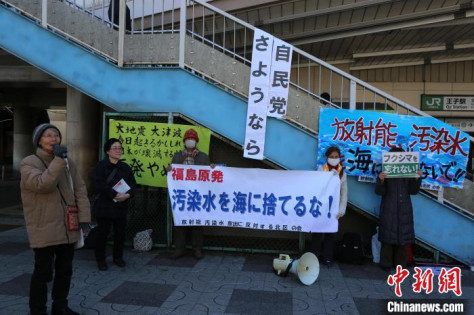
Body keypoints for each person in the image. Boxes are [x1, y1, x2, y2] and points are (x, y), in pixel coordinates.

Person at [20, 123, 90, 315]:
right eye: (48, 135)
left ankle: (60, 306)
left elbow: (80, 190)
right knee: (42, 272)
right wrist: (59, 160)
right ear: (38, 140)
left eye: (56, 135)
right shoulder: (29, 162)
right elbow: (42, 185)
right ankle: (37, 310)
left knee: (65, 270)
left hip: (69, 226)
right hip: (44, 226)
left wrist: (84, 218)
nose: (54, 139)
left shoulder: (68, 162)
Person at [375, 147, 422, 272]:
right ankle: (385, 264)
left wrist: (417, 179)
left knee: (403, 238)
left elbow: (413, 191)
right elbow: (379, 192)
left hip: (404, 208)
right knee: (387, 237)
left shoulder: (408, 172)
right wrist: (380, 180)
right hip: (388, 208)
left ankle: (401, 264)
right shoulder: (386, 172)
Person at [168, 128, 212, 260]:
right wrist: (169, 170)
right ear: (184, 141)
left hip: (198, 194)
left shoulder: (203, 157)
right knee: (180, 221)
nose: (190, 141)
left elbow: (209, 173)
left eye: (192, 139)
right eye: (188, 139)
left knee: (197, 222)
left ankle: (197, 249)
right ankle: (179, 249)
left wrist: (213, 168)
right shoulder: (177, 156)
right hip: (181, 194)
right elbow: (172, 174)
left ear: (196, 141)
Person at [92, 138, 136, 271]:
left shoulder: (125, 167)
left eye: (120, 148)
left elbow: (133, 185)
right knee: (102, 234)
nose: (118, 150)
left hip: (120, 206)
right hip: (104, 206)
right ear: (107, 151)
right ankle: (101, 260)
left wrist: (127, 195)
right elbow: (99, 184)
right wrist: (114, 194)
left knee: (120, 234)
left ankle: (118, 257)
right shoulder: (101, 166)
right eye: (115, 148)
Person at [311, 145, 347, 267]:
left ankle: (327, 258)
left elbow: (344, 193)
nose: (334, 158)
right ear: (327, 157)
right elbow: (316, 188)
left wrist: (342, 209)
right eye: (331, 157)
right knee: (316, 233)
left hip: (333, 209)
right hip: (320, 207)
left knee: (330, 234)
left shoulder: (342, 173)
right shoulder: (321, 170)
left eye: (336, 157)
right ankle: (313, 257)